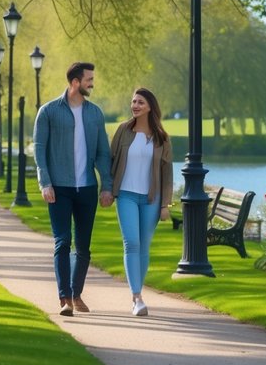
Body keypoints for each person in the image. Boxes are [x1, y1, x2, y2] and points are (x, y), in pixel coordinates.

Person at [33, 62, 113, 316]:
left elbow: (103, 153)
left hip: (87, 188)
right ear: (75, 82)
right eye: (89, 79)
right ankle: (65, 298)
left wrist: (106, 187)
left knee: (84, 246)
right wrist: (45, 182)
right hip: (59, 187)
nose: (92, 83)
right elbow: (39, 150)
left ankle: (76, 293)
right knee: (62, 241)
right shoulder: (48, 112)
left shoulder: (95, 113)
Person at [109, 87, 173, 317]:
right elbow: (110, 161)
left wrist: (166, 205)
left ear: (150, 107)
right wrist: (106, 190)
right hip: (125, 195)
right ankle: (137, 297)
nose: (135, 106)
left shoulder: (161, 138)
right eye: (133, 102)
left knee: (144, 246)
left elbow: (167, 174)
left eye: (140, 103)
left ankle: (138, 292)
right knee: (132, 243)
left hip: (151, 199)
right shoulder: (123, 131)